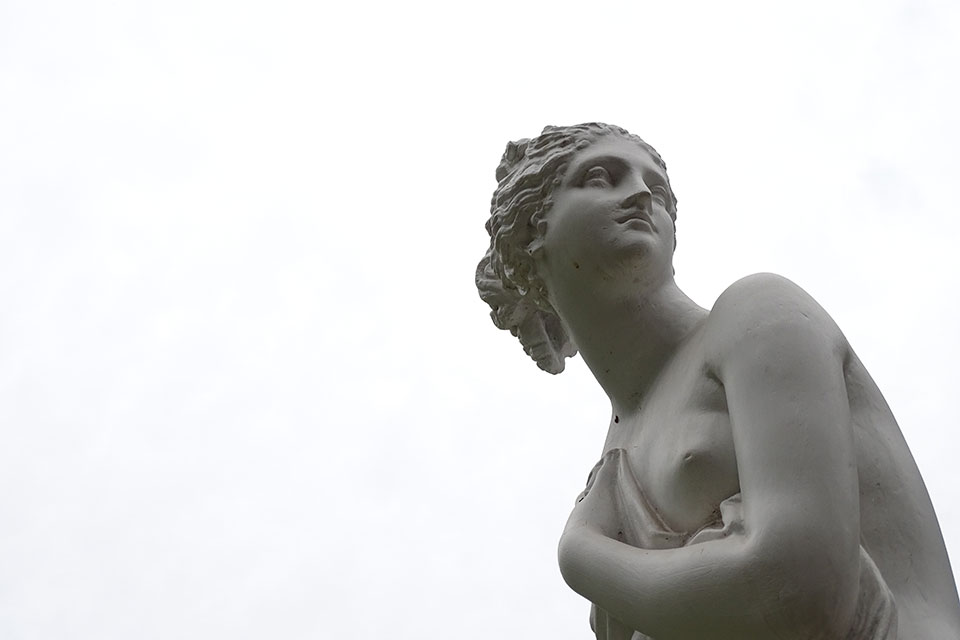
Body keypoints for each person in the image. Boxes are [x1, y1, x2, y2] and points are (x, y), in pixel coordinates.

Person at [476, 123, 960, 639]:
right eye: (600, 177)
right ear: (530, 234)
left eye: (657, 188)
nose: (641, 193)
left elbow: (797, 594)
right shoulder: (615, 464)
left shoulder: (759, 315)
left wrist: (581, 556)